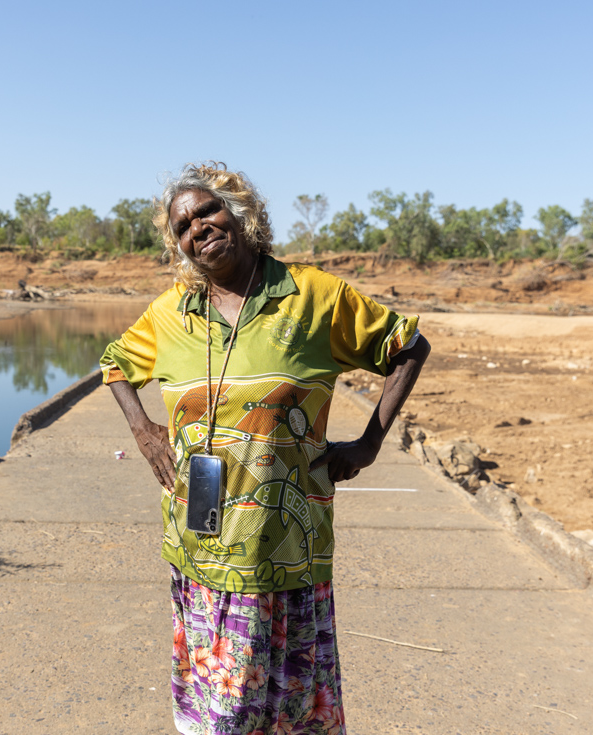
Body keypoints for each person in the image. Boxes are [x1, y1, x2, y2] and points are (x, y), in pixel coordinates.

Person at [100, 162, 430, 735]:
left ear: (241, 211)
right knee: (217, 717)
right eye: (183, 226)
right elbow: (114, 363)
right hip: (199, 549)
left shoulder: (313, 296)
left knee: (290, 717)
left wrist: (371, 442)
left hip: (286, 551)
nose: (198, 228)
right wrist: (144, 431)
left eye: (208, 210)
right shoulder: (170, 312)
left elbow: (408, 345)